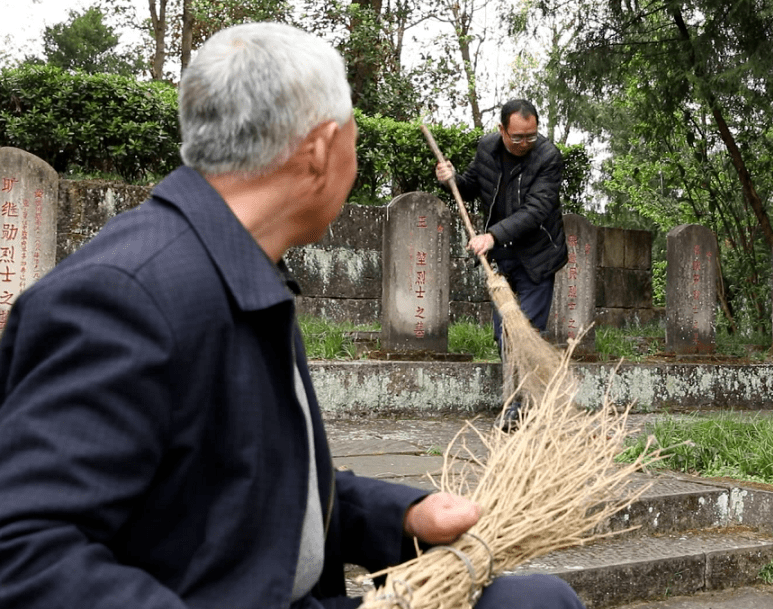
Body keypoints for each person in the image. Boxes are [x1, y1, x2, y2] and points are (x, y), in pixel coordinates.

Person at [0, 23, 584, 609]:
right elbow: (23, 553)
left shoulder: (239, 264)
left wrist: (403, 516)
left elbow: (260, 479)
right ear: (321, 149)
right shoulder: (123, 295)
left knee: (537, 602)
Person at [434, 100, 569, 430]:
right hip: (502, 258)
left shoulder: (548, 157)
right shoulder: (487, 148)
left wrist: (491, 236)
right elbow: (472, 185)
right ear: (502, 131)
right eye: (517, 137)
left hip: (537, 256)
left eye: (531, 137)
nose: (524, 144)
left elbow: (536, 210)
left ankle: (520, 406)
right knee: (504, 333)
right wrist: (450, 178)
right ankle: (520, 400)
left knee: (529, 331)